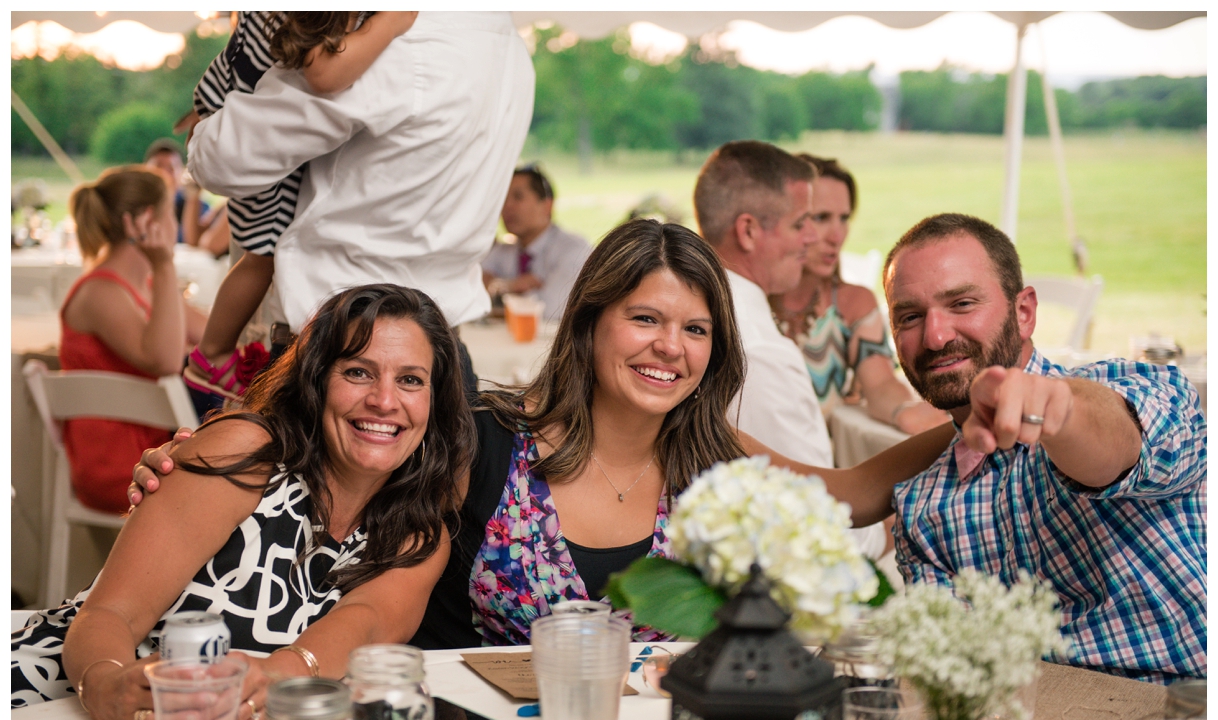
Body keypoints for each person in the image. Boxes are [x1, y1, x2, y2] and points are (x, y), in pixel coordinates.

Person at [129, 221, 956, 650]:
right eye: (645, 319)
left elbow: (844, 496)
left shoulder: (714, 463)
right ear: (589, 323)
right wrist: (196, 460)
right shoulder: (482, 436)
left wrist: (972, 416)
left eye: (696, 330)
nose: (671, 347)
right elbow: (337, 449)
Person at [11, 286, 475, 720]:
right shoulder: (244, 455)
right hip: (53, 697)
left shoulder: (417, 538)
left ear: (434, 404)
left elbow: (363, 623)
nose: (384, 400)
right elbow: (108, 614)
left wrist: (266, 684)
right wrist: (108, 689)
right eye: (358, 371)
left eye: (411, 381)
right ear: (317, 381)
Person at [882, 213, 1206, 683]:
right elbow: (956, 681)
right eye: (910, 317)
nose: (935, 336)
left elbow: (1121, 443)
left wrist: (1062, 411)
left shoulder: (1137, 389)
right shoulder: (922, 508)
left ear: (1024, 312)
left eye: (962, 303)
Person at [187, 11, 535, 396]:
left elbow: (220, 161)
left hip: (344, 351)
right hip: (445, 354)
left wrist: (203, 133)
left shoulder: (389, 44)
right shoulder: (509, 44)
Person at [182, 11, 420, 404]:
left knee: (256, 253)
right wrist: (390, 23)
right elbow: (325, 74)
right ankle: (213, 355)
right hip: (248, 121)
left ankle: (214, 353)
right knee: (262, 256)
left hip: (232, 97)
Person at [693, 141, 885, 559]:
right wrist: (898, 523)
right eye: (802, 223)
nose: (814, 238)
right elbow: (816, 520)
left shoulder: (694, 303)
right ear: (748, 231)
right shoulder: (759, 351)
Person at [56, 166, 206, 514]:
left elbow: (210, 333)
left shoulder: (145, 288)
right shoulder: (100, 293)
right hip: (122, 469)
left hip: (153, 455)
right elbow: (165, 361)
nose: (177, 225)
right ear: (146, 220)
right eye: (172, 212)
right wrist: (165, 265)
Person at [771, 155, 948, 435]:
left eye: (844, 218)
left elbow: (879, 384)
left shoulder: (853, 303)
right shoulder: (744, 301)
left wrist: (905, 411)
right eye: (820, 218)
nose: (837, 235)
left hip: (825, 471)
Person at [481, 164, 592, 321]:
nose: (507, 206)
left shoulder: (573, 250)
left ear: (547, 206)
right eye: (503, 199)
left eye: (518, 197)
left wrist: (496, 294)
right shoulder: (506, 250)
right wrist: (509, 286)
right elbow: (472, 289)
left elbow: (552, 310)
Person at [144, 138, 229, 257]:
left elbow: (204, 245)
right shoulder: (136, 207)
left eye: (171, 169)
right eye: (158, 167)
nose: (163, 174)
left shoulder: (198, 206)